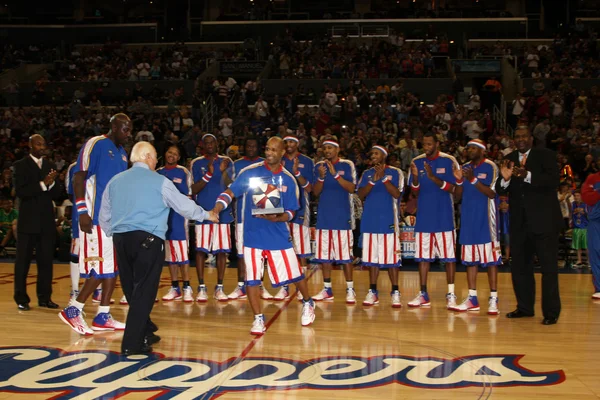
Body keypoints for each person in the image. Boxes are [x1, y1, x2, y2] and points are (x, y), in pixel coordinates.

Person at [99, 142, 218, 355]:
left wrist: (111, 232)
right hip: (148, 239)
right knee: (144, 291)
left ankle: (146, 329)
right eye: (154, 158)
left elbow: (104, 212)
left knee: (131, 287)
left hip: (121, 239)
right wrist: (206, 214)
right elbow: (183, 205)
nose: (156, 162)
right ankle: (131, 344)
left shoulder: (115, 181)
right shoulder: (160, 181)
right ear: (146, 157)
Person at [209, 137, 316, 335]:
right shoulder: (250, 172)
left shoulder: (288, 179)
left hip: (277, 235)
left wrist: (279, 217)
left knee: (295, 275)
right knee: (252, 279)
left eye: (274, 150)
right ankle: (258, 318)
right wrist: (217, 207)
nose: (269, 153)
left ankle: (309, 302)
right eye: (267, 148)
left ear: (282, 152)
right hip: (252, 235)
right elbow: (230, 191)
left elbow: (293, 211)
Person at [59, 113, 131, 335]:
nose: (128, 133)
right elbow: (78, 177)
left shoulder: (122, 154)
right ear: (113, 127)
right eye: (124, 129)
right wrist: (81, 211)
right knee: (100, 268)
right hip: (95, 218)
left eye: (130, 129)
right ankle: (73, 309)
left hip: (114, 220)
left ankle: (103, 314)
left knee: (112, 268)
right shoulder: (96, 144)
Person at [497, 126, 562, 325]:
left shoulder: (546, 155)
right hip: (520, 223)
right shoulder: (509, 158)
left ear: (531, 138)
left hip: (545, 222)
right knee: (520, 268)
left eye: (524, 136)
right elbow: (500, 187)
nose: (520, 139)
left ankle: (551, 313)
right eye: (517, 136)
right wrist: (506, 179)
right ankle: (524, 308)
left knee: (549, 269)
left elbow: (553, 181)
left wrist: (527, 175)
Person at [407, 132, 460, 309]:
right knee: (423, 258)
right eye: (424, 144)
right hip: (424, 219)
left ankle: (451, 294)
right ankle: (423, 294)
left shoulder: (449, 160)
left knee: (449, 258)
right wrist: (415, 177)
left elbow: (455, 189)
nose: (426, 147)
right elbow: (414, 192)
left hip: (444, 218)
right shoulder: (417, 161)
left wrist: (433, 178)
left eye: (430, 144)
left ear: (437, 143)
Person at [453, 139, 501, 314]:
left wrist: (472, 179)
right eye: (468, 148)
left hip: (487, 221)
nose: (470, 150)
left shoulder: (491, 167)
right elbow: (457, 197)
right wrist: (459, 181)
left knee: (491, 261)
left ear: (482, 150)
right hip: (468, 221)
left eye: (474, 148)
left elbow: (492, 193)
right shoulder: (464, 168)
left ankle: (493, 298)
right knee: (470, 261)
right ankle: (472, 298)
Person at [13, 134, 60, 311]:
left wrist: (51, 184)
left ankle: (45, 298)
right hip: (27, 222)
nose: (42, 147)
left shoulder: (50, 166)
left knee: (46, 261)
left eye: (43, 144)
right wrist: (43, 184)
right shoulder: (20, 165)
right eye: (38, 144)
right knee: (22, 263)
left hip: (46, 222)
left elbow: (57, 193)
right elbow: (21, 191)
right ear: (30, 145)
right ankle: (21, 298)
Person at [227, 137, 274, 301]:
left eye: (254, 145)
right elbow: (231, 187)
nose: (251, 147)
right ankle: (241, 286)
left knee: (261, 252)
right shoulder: (237, 164)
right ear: (244, 147)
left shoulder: (265, 164)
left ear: (259, 147)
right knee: (241, 253)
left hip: (261, 216)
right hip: (241, 216)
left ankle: (260, 285)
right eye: (249, 145)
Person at [357, 145, 404, 307]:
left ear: (384, 155)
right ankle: (372, 291)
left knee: (392, 260)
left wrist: (383, 178)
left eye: (376, 153)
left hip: (388, 222)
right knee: (371, 260)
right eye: (372, 154)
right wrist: (373, 181)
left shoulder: (395, 172)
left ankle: (395, 291)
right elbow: (360, 194)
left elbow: (397, 194)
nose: (373, 156)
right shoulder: (367, 173)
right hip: (370, 221)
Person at [190, 134, 234, 302]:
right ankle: (201, 287)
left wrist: (222, 172)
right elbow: (193, 189)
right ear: (202, 146)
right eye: (206, 143)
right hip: (203, 213)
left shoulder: (227, 161)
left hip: (222, 213)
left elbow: (232, 187)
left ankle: (220, 287)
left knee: (222, 251)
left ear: (218, 143)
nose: (209, 145)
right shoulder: (196, 163)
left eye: (212, 142)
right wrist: (209, 173)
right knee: (201, 250)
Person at [312, 139, 357, 304]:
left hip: (342, 218)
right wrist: (322, 178)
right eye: (324, 148)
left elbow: (352, 188)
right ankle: (327, 289)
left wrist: (336, 175)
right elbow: (315, 192)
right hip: (324, 219)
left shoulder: (347, 165)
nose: (326, 151)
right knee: (324, 257)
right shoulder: (318, 167)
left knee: (346, 257)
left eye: (330, 148)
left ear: (337, 149)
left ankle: (350, 289)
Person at [279, 133, 315, 301]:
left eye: (292, 141)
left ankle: (302, 288)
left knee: (301, 252)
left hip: (300, 210)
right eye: (286, 141)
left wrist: (297, 173)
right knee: (283, 249)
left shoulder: (307, 161)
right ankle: (284, 287)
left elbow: (310, 189)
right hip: (280, 209)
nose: (289, 144)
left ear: (297, 144)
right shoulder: (278, 159)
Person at [158, 145, 194, 302]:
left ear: (179, 157)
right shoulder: (158, 172)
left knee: (182, 256)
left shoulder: (183, 172)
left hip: (179, 218)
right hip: (163, 218)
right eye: (169, 152)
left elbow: (189, 195)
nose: (171, 155)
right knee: (170, 256)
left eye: (175, 154)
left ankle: (187, 287)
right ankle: (175, 288)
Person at [581, 173, 600, 299]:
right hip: (596, 222)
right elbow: (587, 198)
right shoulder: (593, 178)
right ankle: (599, 288)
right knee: (596, 253)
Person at [65, 162, 80, 300]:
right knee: (76, 254)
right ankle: (75, 289)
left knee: (99, 254)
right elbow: (71, 194)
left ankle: (98, 290)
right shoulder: (74, 167)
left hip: (100, 215)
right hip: (80, 216)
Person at [571, 191, 589, 268]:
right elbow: (571, 213)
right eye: (575, 196)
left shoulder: (586, 204)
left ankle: (589, 261)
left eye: (578, 195)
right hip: (576, 227)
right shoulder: (573, 204)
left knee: (586, 245)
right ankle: (579, 260)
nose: (576, 197)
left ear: (581, 196)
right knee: (578, 245)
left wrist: (583, 211)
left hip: (585, 227)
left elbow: (589, 215)